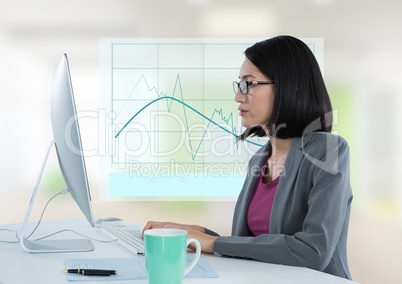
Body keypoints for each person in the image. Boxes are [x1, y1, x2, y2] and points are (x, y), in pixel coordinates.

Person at [142, 35, 353, 280]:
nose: (238, 97)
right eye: (239, 84)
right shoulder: (259, 160)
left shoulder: (328, 150)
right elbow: (250, 245)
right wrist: (195, 233)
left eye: (249, 84)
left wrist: (212, 243)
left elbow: (313, 250)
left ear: (287, 86)